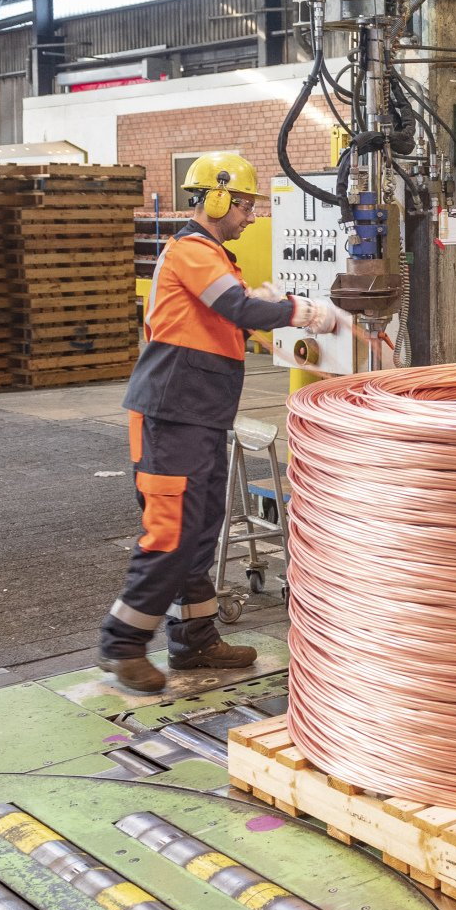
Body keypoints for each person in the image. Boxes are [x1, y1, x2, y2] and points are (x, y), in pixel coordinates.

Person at [97, 152, 344, 692]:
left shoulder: (215, 258)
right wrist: (305, 312)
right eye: (245, 205)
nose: (251, 216)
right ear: (215, 198)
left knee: (202, 529)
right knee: (171, 533)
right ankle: (122, 643)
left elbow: (235, 312)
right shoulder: (191, 252)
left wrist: (270, 304)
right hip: (170, 418)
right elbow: (238, 310)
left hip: (200, 418)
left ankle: (194, 640)